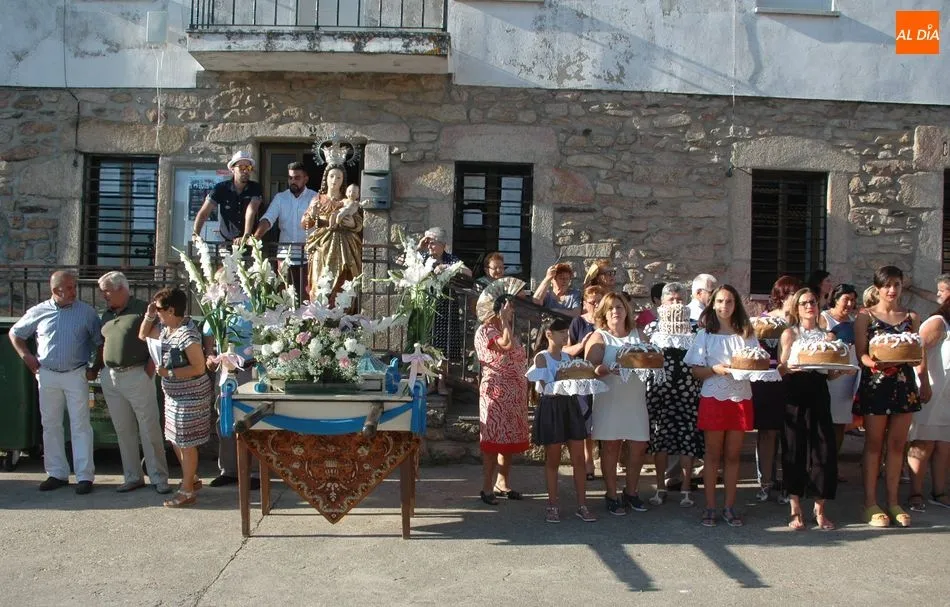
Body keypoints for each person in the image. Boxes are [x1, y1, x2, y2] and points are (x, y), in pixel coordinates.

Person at [9, 271, 102, 494]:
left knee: (80, 425)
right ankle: (57, 473)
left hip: (75, 373)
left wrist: (94, 367)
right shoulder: (39, 311)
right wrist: (27, 358)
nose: (74, 291)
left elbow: (100, 342)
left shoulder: (86, 312)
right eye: (69, 288)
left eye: (74, 286)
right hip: (47, 373)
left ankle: (84, 476)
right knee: (50, 424)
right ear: (55, 291)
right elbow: (16, 333)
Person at [685, 284, 758, 527]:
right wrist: (715, 370)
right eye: (719, 301)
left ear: (736, 305)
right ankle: (709, 507)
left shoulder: (746, 333)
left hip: (739, 397)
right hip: (713, 397)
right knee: (712, 455)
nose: (724, 306)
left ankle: (729, 506)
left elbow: (757, 363)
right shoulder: (704, 335)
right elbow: (695, 371)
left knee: (733, 456)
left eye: (729, 302)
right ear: (712, 304)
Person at [91, 271, 170, 494]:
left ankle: (158, 477)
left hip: (137, 373)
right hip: (110, 376)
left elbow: (160, 339)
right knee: (123, 429)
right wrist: (97, 369)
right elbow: (101, 345)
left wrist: (149, 370)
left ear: (121, 289)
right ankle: (133, 476)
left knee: (149, 427)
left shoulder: (142, 309)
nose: (103, 295)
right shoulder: (106, 314)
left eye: (106, 291)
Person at [779, 288, 852, 530]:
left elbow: (829, 373)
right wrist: (791, 368)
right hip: (795, 391)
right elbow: (780, 369)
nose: (810, 306)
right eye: (804, 303)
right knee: (794, 448)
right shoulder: (790, 334)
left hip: (818, 390)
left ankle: (820, 509)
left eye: (813, 302)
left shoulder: (828, 337)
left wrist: (842, 370)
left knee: (824, 449)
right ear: (796, 308)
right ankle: (795, 507)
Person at [854, 265, 921, 528]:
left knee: (897, 446)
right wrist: (872, 363)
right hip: (876, 384)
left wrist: (923, 379)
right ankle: (870, 503)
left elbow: (916, 353)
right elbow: (861, 353)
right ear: (878, 288)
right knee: (873, 444)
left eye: (897, 284)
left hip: (904, 385)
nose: (892, 290)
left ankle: (893, 501)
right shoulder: (865, 316)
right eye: (887, 285)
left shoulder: (911, 317)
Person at [139, 288, 214, 508]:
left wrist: (169, 373)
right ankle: (191, 477)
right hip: (173, 394)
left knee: (186, 442)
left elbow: (199, 367)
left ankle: (187, 489)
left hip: (190, 394)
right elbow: (143, 335)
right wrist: (149, 315)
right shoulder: (165, 328)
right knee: (174, 438)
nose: (157, 312)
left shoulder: (187, 334)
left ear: (171, 310)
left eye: (160, 309)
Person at [585, 292, 650, 516]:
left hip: (635, 398)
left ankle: (631, 492)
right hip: (609, 398)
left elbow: (652, 360)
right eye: (611, 307)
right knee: (611, 446)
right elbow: (589, 369)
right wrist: (606, 369)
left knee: (639, 446)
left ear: (626, 311)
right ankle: (611, 494)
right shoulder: (599, 337)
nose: (615, 311)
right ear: (604, 312)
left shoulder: (639, 335)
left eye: (619, 307)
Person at [528, 316, 595, 523]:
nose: (567, 335)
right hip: (551, 407)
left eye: (567, 332)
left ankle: (582, 504)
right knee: (553, 459)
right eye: (561, 332)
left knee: (578, 459)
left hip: (570, 405)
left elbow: (574, 382)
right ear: (549, 334)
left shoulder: (567, 358)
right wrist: (565, 375)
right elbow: (545, 384)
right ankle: (552, 505)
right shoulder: (541, 357)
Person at [645, 282, 703, 508]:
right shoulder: (652, 329)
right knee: (661, 440)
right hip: (660, 391)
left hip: (688, 391)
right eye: (672, 300)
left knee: (687, 440)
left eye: (680, 300)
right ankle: (660, 487)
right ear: (662, 303)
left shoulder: (696, 328)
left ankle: (686, 488)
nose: (676, 304)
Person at [474, 295, 529, 505]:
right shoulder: (485, 330)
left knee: (508, 439)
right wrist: (505, 320)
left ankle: (503, 483)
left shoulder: (504, 328)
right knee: (493, 439)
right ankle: (487, 487)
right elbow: (505, 346)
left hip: (513, 392)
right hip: (495, 391)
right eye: (508, 308)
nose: (512, 311)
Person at [753, 275, 801, 504]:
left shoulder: (800, 323)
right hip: (766, 382)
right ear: (781, 295)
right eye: (792, 293)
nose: (796, 298)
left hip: (793, 381)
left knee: (789, 435)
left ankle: (788, 483)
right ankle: (765, 482)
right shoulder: (763, 320)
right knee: (767, 433)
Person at [202, 305, 260, 490]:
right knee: (224, 418)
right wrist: (210, 356)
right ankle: (229, 470)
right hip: (225, 372)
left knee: (251, 418)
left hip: (248, 369)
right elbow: (209, 339)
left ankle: (256, 472)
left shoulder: (252, 303)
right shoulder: (216, 307)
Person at [906, 274, 950, 511]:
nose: (939, 295)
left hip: (948, 396)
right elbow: (918, 348)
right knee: (923, 442)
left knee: (944, 444)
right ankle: (915, 493)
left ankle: (940, 491)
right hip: (932, 390)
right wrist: (923, 383)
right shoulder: (938, 322)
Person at [253, 162, 317, 301]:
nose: (293, 181)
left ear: (306, 179)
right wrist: (255, 237)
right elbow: (268, 219)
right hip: (284, 255)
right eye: (290, 178)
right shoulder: (280, 198)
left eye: (297, 178)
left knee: (307, 296)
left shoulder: (315, 198)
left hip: (308, 256)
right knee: (285, 297)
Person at [302, 164, 362, 305]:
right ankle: (320, 317)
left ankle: (341, 318)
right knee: (320, 282)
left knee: (343, 283)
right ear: (326, 178)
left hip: (344, 247)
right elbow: (305, 223)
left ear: (343, 181)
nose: (334, 180)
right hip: (322, 246)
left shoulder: (348, 201)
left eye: (339, 177)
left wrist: (352, 223)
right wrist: (313, 215)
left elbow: (359, 223)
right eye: (331, 176)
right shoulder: (317, 199)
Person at [566, 284, 607, 481]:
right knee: (585, 417)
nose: (596, 305)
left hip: (603, 376)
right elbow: (567, 350)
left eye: (600, 301)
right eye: (593, 302)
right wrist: (582, 345)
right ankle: (587, 459)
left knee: (602, 416)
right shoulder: (578, 323)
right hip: (582, 377)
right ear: (585, 303)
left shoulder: (607, 324)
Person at [419, 227, 472, 366]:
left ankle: (442, 381)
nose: (429, 245)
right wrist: (419, 247)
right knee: (427, 342)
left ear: (443, 245)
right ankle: (429, 382)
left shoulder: (450, 258)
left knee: (444, 344)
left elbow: (468, 272)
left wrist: (447, 267)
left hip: (445, 306)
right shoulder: (423, 258)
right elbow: (407, 263)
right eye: (427, 242)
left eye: (433, 242)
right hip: (426, 304)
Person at [819, 283, 860, 451]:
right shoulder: (823, 319)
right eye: (846, 300)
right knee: (824, 423)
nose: (850, 304)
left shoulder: (854, 322)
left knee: (840, 424)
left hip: (848, 379)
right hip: (830, 378)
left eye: (853, 300)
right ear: (835, 299)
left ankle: (834, 465)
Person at [193, 151, 262, 246]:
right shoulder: (221, 188)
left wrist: (246, 236)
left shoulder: (255, 188)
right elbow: (204, 212)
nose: (245, 171)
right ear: (233, 169)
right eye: (241, 167)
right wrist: (196, 234)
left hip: (248, 244)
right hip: (225, 243)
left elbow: (251, 210)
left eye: (248, 168)